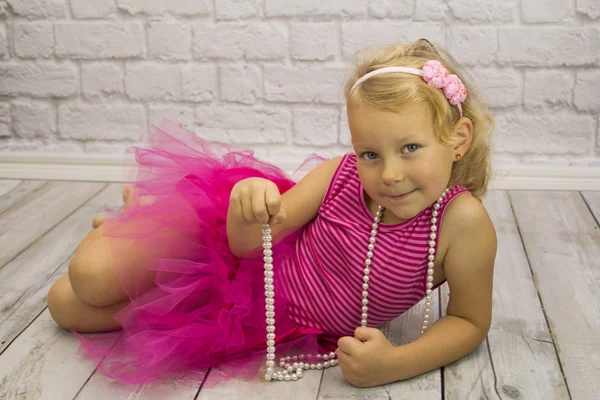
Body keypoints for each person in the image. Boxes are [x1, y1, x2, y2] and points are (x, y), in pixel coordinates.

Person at [47, 38, 497, 388]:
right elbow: (245, 246)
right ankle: (144, 218)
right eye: (370, 153)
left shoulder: (462, 224)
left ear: (457, 138)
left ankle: (142, 228)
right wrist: (249, 206)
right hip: (235, 250)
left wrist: (396, 362)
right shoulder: (339, 175)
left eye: (410, 148)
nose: (390, 174)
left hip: (257, 316)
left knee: (65, 304)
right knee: (88, 275)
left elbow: (469, 321)